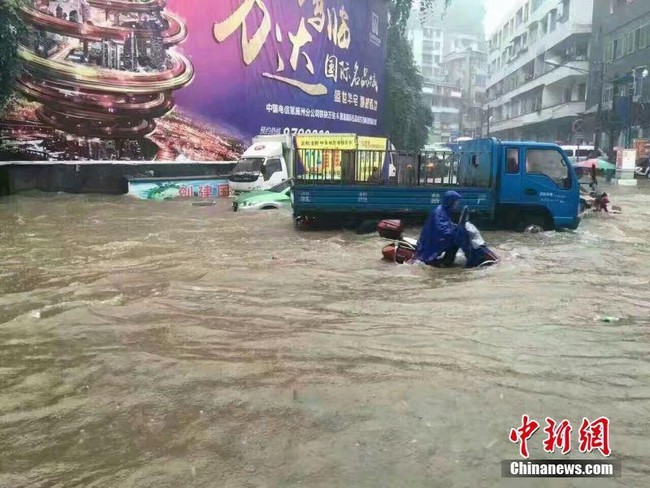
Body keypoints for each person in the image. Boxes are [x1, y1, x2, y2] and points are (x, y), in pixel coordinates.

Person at [413, 190, 462, 267]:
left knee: (455, 240)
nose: (458, 203)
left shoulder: (445, 211)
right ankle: (445, 264)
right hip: (431, 241)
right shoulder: (439, 212)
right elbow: (442, 229)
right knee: (455, 242)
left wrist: (456, 227)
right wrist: (454, 231)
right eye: (456, 201)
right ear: (451, 201)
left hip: (435, 239)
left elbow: (447, 224)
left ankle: (445, 262)